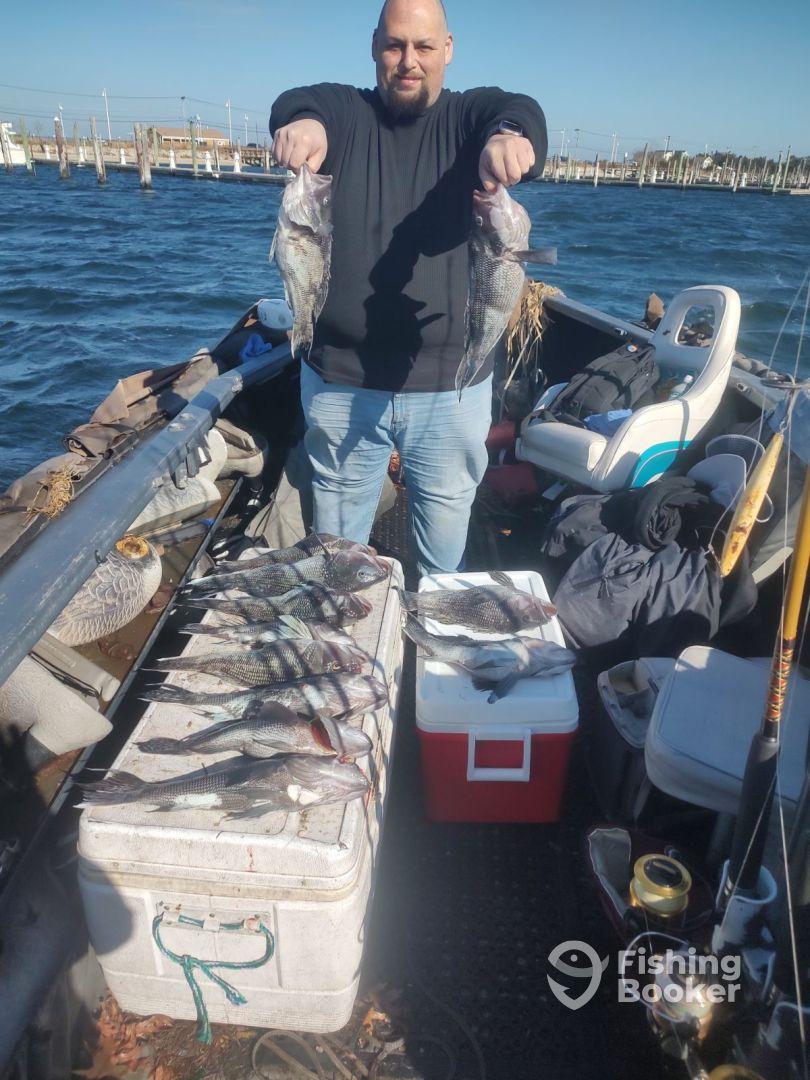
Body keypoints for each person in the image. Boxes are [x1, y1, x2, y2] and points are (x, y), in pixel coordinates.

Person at [270, 0, 547, 575]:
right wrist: (302, 126)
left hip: (453, 387)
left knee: (442, 560)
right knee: (335, 558)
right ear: (375, 45)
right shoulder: (346, 111)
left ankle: (429, 648)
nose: (407, 61)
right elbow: (300, 104)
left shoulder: (471, 118)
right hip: (340, 380)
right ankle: (343, 650)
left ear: (448, 49)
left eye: (423, 47)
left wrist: (512, 138)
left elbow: (517, 110)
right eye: (395, 45)